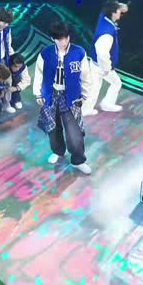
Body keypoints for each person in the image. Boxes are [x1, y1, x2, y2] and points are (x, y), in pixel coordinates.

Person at [33, 21, 93, 174]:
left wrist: (84, 95)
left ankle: (78, 160)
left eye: (66, 38)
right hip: (51, 95)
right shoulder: (46, 53)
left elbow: (86, 76)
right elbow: (38, 74)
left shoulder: (78, 52)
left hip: (71, 97)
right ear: (53, 39)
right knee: (53, 129)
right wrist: (38, 93)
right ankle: (58, 152)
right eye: (59, 39)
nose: (63, 41)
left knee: (74, 132)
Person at [83, 0, 128, 116]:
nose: (121, 13)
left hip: (95, 63)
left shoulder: (103, 18)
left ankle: (86, 109)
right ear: (113, 13)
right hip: (102, 66)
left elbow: (108, 8)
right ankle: (107, 104)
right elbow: (102, 53)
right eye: (119, 11)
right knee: (116, 83)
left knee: (94, 87)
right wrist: (107, 68)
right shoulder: (107, 32)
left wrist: (120, 7)